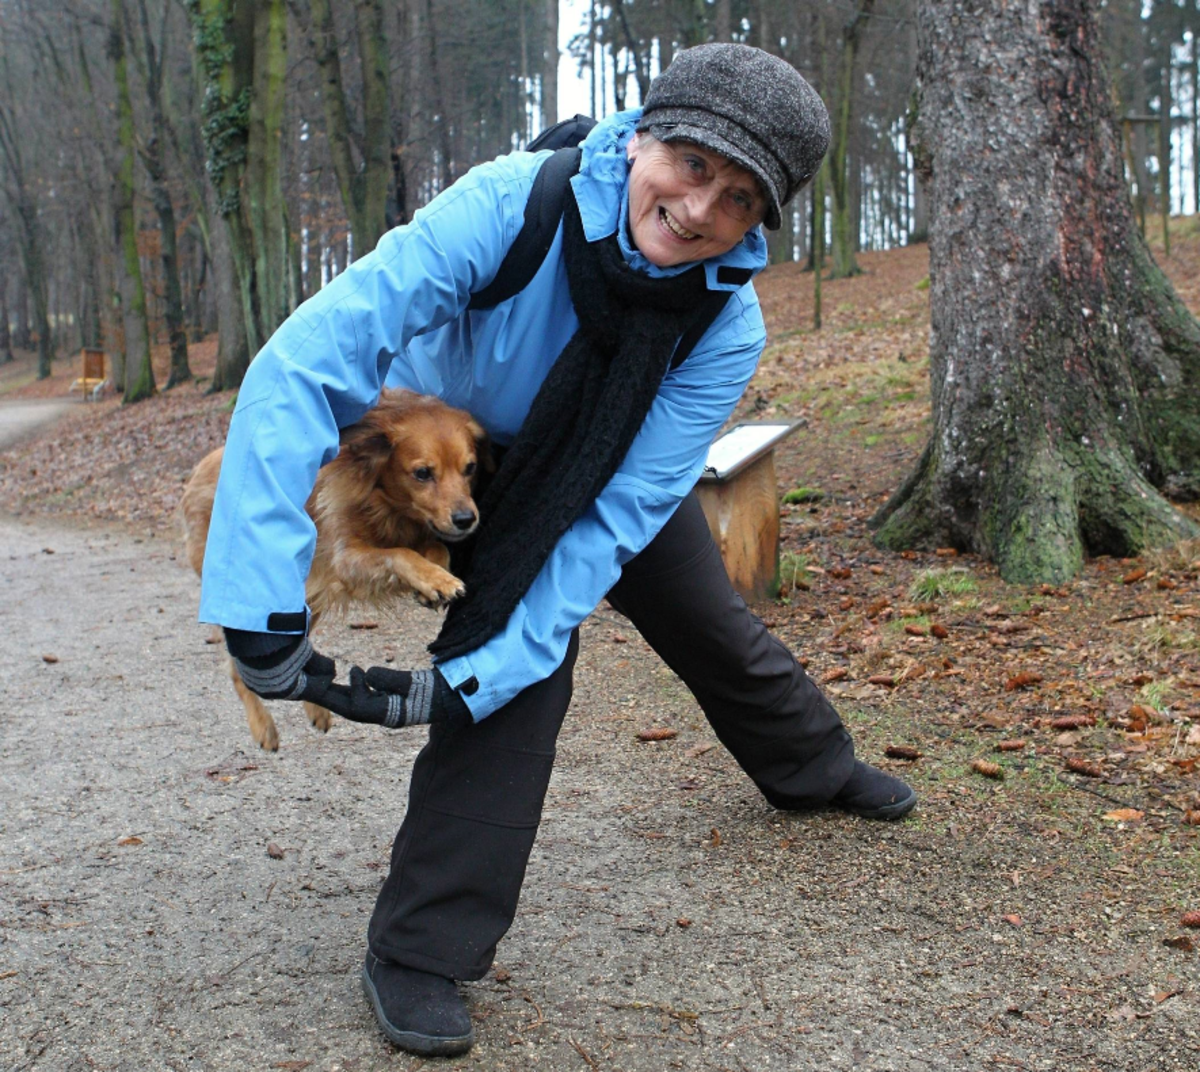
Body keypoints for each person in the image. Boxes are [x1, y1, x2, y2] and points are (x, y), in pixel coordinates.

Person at [199, 43, 916, 1058]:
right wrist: (260, 608)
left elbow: (615, 515)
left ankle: (814, 765)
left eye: (744, 198)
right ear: (643, 138)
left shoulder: (724, 325)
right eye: (695, 163)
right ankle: (421, 949)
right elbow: (303, 367)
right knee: (525, 690)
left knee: (698, 614)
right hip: (461, 457)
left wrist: (475, 673)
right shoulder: (509, 207)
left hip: (611, 471)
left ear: (758, 223)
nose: (704, 207)